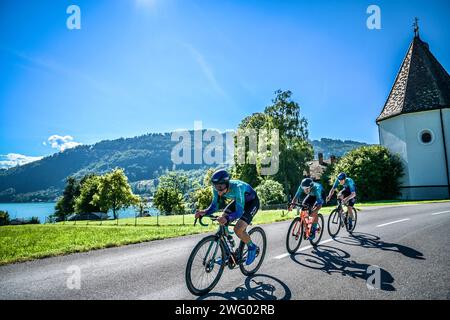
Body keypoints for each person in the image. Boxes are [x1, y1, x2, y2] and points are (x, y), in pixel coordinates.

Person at [195, 169, 260, 265]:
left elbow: (239, 212)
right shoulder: (217, 189)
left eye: (220, 187)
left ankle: (252, 247)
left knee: (238, 229)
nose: (218, 191)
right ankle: (228, 251)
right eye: (216, 186)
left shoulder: (238, 188)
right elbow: (214, 206)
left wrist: (227, 219)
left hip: (252, 203)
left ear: (227, 183)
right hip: (239, 201)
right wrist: (204, 212)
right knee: (223, 218)